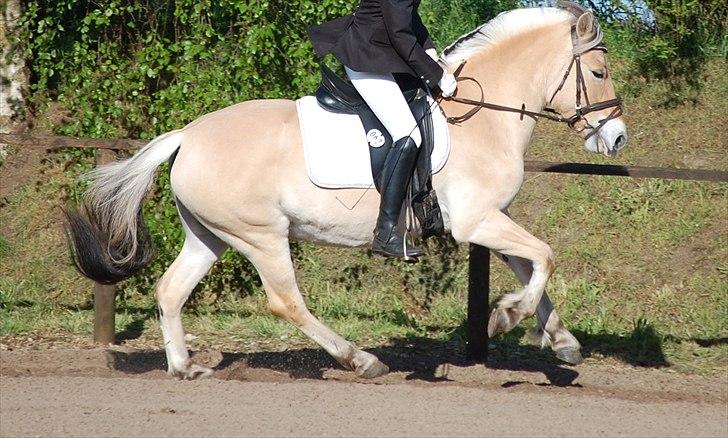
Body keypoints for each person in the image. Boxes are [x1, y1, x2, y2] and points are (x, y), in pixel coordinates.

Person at [309, 0, 457, 260]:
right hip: (366, 56)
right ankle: (385, 234)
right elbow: (399, 32)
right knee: (408, 134)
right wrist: (436, 75)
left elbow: (409, 19)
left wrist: (431, 52)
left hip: (383, 56)